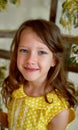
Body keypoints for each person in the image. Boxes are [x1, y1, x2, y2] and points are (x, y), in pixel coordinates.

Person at [0, 19, 77, 130]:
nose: (30, 60)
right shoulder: (17, 88)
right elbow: (15, 121)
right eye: (24, 50)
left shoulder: (58, 109)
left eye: (41, 52)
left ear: (54, 60)